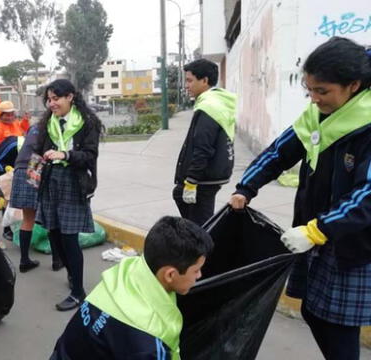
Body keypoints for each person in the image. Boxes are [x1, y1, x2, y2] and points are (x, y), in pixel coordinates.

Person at [228, 37, 371, 360]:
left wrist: (315, 230)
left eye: (322, 91)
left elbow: (367, 196)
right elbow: (280, 152)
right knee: (312, 311)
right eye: (310, 90)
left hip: (352, 243)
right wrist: (245, 188)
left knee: (336, 324)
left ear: (353, 85)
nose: (314, 98)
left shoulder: (366, 126)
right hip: (317, 234)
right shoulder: (317, 117)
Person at [50, 216, 213, 359]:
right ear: (170, 275)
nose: (199, 276)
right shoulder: (148, 343)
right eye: (196, 270)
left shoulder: (127, 271)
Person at [33, 79, 102, 311]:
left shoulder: (87, 122)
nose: (52, 104)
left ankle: (78, 292)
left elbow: (90, 155)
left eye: (56, 98)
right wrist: (38, 161)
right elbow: (39, 149)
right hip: (51, 182)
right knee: (54, 234)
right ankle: (73, 274)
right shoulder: (48, 123)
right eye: (49, 100)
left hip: (74, 183)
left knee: (69, 238)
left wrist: (65, 155)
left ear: (70, 97)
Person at [174, 58, 237, 225]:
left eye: (189, 80)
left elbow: (203, 148)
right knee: (184, 202)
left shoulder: (209, 107)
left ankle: (205, 251)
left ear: (204, 81)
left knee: (200, 227)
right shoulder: (216, 102)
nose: (186, 86)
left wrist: (191, 181)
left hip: (203, 179)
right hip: (211, 176)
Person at [0, 101, 29, 227]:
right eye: (6, 115)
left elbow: (22, 131)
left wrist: (25, 120)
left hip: (13, 162)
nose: (9, 117)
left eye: (11, 114)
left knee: (9, 190)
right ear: (0, 114)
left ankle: (9, 216)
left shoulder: (14, 123)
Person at [9, 123, 43, 272]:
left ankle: (24, 260)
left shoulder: (34, 126)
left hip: (20, 167)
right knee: (48, 216)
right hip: (34, 166)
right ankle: (57, 260)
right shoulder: (53, 127)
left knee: (27, 218)